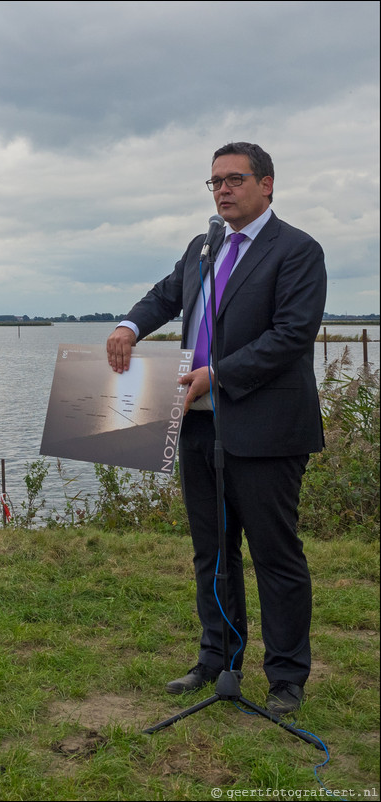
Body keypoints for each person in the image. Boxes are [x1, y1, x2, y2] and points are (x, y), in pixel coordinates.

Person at [106, 142, 326, 716]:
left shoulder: (298, 251)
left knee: (275, 556)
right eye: (214, 183)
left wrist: (219, 375)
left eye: (234, 179)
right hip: (198, 424)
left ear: (267, 185)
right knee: (213, 551)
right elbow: (164, 295)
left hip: (267, 426)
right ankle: (216, 658)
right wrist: (130, 327)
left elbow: (292, 335)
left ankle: (285, 679)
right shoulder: (202, 247)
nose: (222, 190)